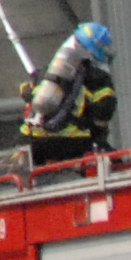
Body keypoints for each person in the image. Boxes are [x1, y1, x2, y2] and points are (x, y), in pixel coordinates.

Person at [19, 21, 117, 164]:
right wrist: (99, 135)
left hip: (33, 141)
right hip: (74, 144)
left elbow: (26, 92)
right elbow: (105, 109)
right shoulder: (98, 78)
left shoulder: (46, 72)